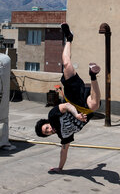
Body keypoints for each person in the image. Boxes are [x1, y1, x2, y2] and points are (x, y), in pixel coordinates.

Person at [35, 23, 101, 172]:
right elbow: (64, 151)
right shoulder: (64, 136)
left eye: (46, 128)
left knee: (66, 64)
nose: (50, 130)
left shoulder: (52, 116)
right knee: (94, 106)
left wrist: (75, 114)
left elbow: (65, 107)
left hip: (73, 99)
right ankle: (93, 75)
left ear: (46, 123)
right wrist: (60, 168)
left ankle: (69, 38)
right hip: (86, 108)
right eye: (47, 133)